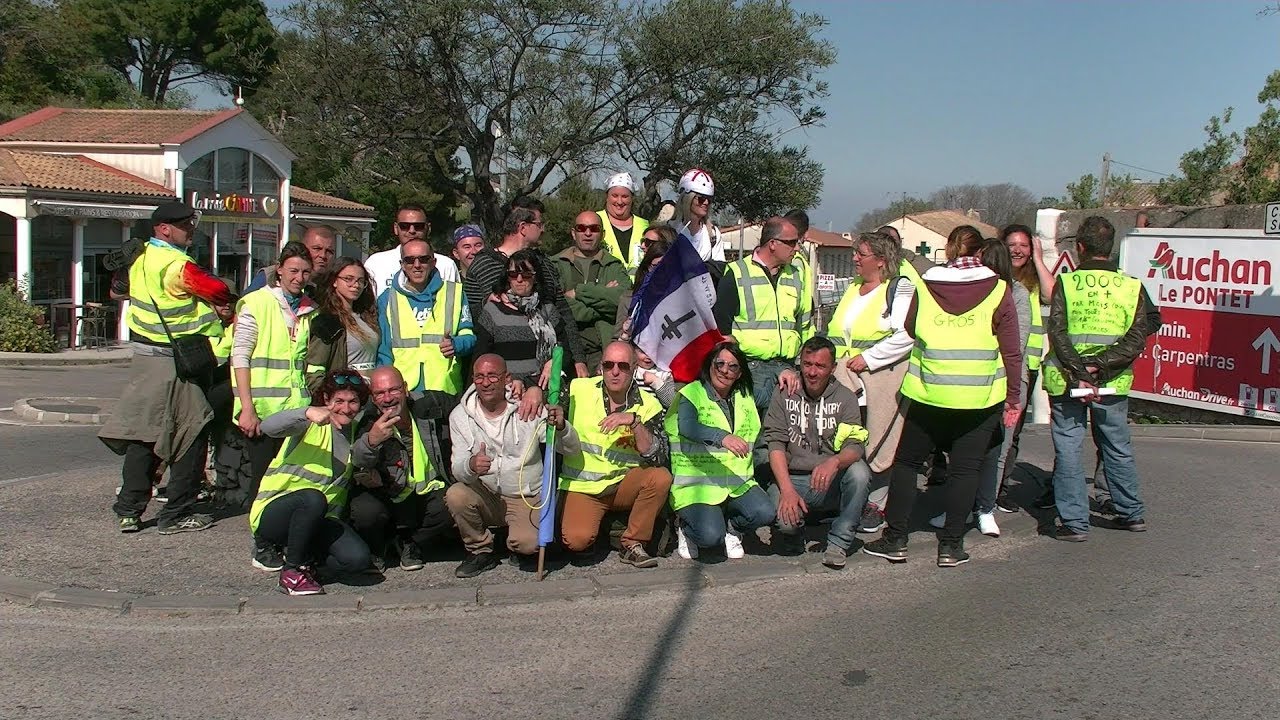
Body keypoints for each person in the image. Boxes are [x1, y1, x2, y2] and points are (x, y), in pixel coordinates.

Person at [862, 224, 1022, 568]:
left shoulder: (926, 283)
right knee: (965, 471)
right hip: (978, 399)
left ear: (949, 250)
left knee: (907, 464)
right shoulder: (998, 289)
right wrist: (1013, 397)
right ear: (979, 252)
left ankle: (897, 538)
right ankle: (950, 546)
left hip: (928, 393)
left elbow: (909, 328)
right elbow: (1011, 350)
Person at [101, 200, 235, 535]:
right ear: (164, 229)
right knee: (192, 431)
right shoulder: (178, 265)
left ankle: (129, 510)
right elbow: (218, 290)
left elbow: (116, 293)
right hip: (180, 360)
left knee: (144, 434)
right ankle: (176, 512)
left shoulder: (139, 256)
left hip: (146, 357)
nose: (191, 230)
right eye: (185, 225)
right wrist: (214, 303)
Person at [1042, 216, 1156, 541]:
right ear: (1111, 247)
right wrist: (1099, 367)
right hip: (1113, 381)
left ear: (1079, 247)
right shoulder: (1131, 286)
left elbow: (1058, 332)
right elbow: (1137, 338)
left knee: (1069, 447)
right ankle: (1130, 513)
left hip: (1067, 380)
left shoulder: (1066, 284)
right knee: (1117, 447)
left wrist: (1081, 372)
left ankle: (1075, 523)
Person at [932, 239, 1030, 539]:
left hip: (1003, 381)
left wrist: (1012, 394)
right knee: (963, 454)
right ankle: (958, 508)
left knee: (995, 452)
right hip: (970, 381)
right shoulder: (970, 291)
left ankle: (985, 508)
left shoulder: (1015, 294)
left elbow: (1015, 345)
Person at [547, 341, 672, 568]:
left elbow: (657, 455)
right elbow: (549, 406)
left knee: (661, 477)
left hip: (623, 484)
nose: (615, 372)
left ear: (634, 368)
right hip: (584, 487)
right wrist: (539, 396)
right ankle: (608, 525)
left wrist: (634, 422)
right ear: (600, 367)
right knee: (577, 541)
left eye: (623, 366)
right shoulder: (577, 389)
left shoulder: (649, 404)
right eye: (608, 365)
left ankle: (632, 542)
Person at [248, 370, 372, 595]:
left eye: (353, 401)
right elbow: (268, 427)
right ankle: (292, 572)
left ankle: (308, 561)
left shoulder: (355, 432)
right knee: (312, 498)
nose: (346, 408)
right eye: (339, 401)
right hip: (276, 514)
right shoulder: (309, 422)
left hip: (318, 521)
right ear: (326, 399)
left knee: (357, 560)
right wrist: (306, 412)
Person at [826, 231, 914, 532]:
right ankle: (848, 498)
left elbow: (906, 335)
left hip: (879, 380)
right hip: (845, 380)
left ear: (880, 260)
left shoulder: (899, 289)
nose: (854, 258)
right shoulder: (853, 288)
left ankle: (875, 504)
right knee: (849, 439)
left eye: (860, 254)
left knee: (879, 439)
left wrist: (870, 358)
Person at [764, 337, 871, 569]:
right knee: (784, 524)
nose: (812, 372)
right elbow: (775, 444)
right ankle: (796, 529)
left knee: (860, 473)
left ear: (833, 368)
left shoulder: (846, 397)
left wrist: (835, 461)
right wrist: (787, 490)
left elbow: (856, 445)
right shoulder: (784, 392)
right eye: (807, 364)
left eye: (820, 366)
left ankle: (839, 542)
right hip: (794, 478)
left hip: (830, 480)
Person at [666, 342, 776, 559]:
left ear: (739, 373)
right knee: (709, 538)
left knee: (765, 513)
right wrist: (722, 437)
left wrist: (787, 376)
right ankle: (685, 528)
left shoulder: (746, 395)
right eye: (720, 364)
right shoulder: (692, 393)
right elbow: (687, 426)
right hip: (696, 486)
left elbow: (772, 395)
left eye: (733, 366)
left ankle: (732, 529)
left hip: (736, 482)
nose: (725, 370)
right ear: (710, 366)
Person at [229, 241, 318, 512]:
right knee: (263, 478)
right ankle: (260, 529)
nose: (299, 278)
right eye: (293, 271)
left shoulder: (309, 308)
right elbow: (240, 357)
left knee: (290, 476)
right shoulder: (257, 303)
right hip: (263, 410)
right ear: (279, 270)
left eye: (305, 272)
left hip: (296, 408)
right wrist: (247, 408)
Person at [445, 354, 547, 578]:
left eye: (492, 376)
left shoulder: (526, 406)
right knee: (456, 494)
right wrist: (471, 465)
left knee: (527, 545)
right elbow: (457, 469)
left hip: (524, 495)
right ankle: (480, 550)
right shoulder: (459, 416)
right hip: (487, 493)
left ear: (506, 378)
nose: (485, 382)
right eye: (479, 377)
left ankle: (513, 542)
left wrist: (561, 427)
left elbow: (568, 447)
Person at [464, 198, 589, 379]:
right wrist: (486, 302)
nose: (543, 229)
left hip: (546, 373)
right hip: (502, 376)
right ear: (523, 227)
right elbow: (467, 315)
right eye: (539, 224)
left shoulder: (544, 264)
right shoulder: (484, 264)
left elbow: (563, 312)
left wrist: (578, 359)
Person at [350, 366, 457, 571]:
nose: (388, 398)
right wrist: (371, 441)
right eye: (380, 393)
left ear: (406, 389)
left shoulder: (429, 402)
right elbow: (357, 460)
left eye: (394, 390)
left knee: (453, 502)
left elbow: (469, 403)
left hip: (424, 492)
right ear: (372, 398)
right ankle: (378, 547)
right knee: (365, 511)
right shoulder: (366, 419)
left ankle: (410, 542)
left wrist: (515, 388)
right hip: (387, 495)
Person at [712, 216, 805, 419]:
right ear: (772, 244)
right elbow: (721, 327)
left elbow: (802, 322)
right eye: (791, 242)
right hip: (750, 369)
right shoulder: (737, 273)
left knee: (781, 434)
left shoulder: (796, 275)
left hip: (787, 369)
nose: (797, 248)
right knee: (749, 432)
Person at [374, 239, 475, 395]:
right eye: (409, 260)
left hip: (445, 390)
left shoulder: (455, 293)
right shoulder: (387, 298)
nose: (417, 265)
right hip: (404, 392)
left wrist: (456, 345)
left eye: (423, 259)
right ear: (402, 264)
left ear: (433, 262)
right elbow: (384, 351)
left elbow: (469, 336)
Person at [998, 223, 1053, 510]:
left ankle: (1001, 487)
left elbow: (1051, 295)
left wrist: (1040, 260)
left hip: (1025, 366)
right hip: (997, 364)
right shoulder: (996, 278)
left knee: (1013, 431)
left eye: (1024, 246)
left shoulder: (1033, 280)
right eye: (1012, 245)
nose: (1018, 251)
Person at [473, 248, 574, 399]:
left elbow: (565, 350)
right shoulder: (492, 311)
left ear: (535, 277)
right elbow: (481, 358)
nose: (519, 279)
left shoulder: (548, 310)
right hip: (507, 394)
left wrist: (554, 362)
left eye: (526, 274)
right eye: (513, 274)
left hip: (544, 392)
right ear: (507, 278)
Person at [554, 210, 630, 368]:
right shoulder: (555, 264)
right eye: (581, 228)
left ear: (602, 234)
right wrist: (602, 298)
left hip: (603, 354)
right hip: (565, 351)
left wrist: (579, 292)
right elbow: (556, 306)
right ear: (573, 233)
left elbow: (622, 303)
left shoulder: (614, 266)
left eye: (594, 229)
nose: (588, 233)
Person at [305, 257, 379, 392]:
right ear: (334, 281)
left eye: (361, 281)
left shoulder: (367, 317)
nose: (356, 285)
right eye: (348, 279)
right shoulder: (327, 320)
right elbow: (315, 370)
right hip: (346, 395)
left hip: (371, 394)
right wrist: (328, 398)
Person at [364, 205, 460, 296]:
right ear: (396, 228)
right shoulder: (376, 263)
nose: (412, 231)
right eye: (404, 226)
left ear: (428, 228)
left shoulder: (446, 265)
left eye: (418, 226)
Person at [614, 226, 674, 336]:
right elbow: (617, 339)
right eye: (642, 241)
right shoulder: (629, 299)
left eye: (648, 242)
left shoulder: (683, 295)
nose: (642, 246)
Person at [244, 226, 336, 293]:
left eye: (329, 251)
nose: (323, 255)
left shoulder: (335, 282)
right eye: (317, 249)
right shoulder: (269, 276)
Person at [670, 168, 726, 275]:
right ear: (687, 198)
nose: (706, 203)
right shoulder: (670, 230)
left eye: (709, 199)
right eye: (701, 198)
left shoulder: (713, 234)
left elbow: (720, 269)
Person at [597, 172, 649, 271]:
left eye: (625, 196)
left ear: (632, 199)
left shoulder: (645, 226)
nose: (619, 201)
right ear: (607, 197)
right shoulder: (595, 221)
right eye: (615, 196)